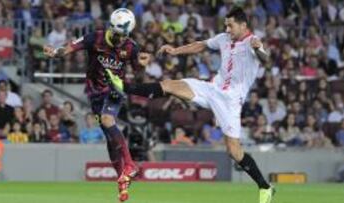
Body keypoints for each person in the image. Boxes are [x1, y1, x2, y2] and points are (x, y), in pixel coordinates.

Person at [106, 7, 274, 203]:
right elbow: (200, 45)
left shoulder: (253, 42)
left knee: (234, 151)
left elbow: (266, 59)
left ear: (243, 25)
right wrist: (175, 51)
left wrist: (257, 48)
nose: (227, 29)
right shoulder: (223, 38)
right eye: (226, 25)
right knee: (170, 85)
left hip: (230, 101)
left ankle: (265, 187)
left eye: (231, 25)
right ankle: (125, 87)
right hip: (212, 89)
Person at [43, 8, 150, 202]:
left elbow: (138, 74)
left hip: (115, 90)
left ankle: (130, 164)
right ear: (111, 27)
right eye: (117, 35)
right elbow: (67, 49)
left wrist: (142, 66)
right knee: (110, 139)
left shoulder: (131, 47)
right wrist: (54, 53)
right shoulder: (95, 37)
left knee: (109, 121)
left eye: (123, 36)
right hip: (94, 93)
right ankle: (122, 180)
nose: (119, 40)